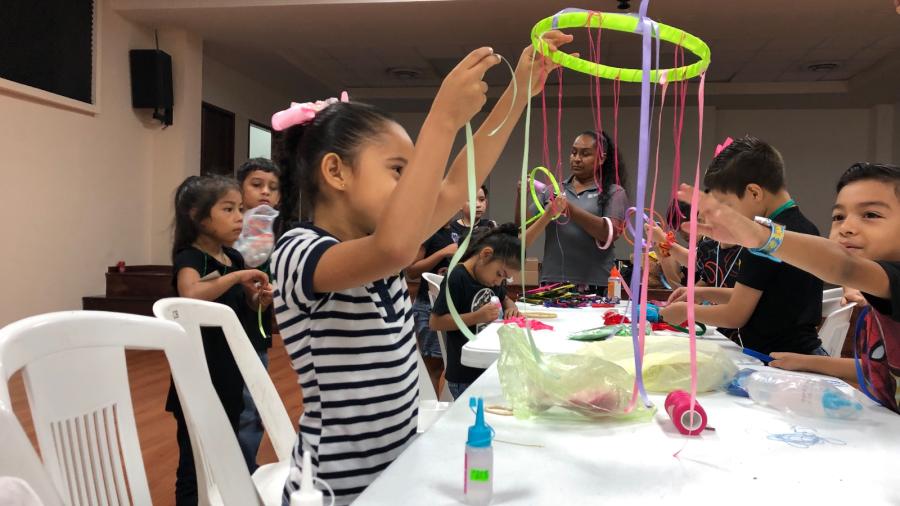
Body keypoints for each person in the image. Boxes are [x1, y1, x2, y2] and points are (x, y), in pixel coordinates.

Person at [269, 34, 573, 505]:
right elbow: (394, 248)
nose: (414, 186)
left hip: (395, 474)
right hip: (336, 490)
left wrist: (519, 95)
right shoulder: (298, 250)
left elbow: (455, 185)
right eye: (399, 170)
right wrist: (443, 119)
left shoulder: (380, 246)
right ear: (336, 172)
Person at [673, 162, 900, 413]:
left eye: (871, 215)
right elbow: (875, 368)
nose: (846, 227)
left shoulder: (888, 279)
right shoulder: (880, 299)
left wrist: (764, 239)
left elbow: (843, 266)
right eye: (838, 216)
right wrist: (805, 362)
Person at [661, 136, 824, 355]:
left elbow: (735, 315)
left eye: (728, 205)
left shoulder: (765, 237)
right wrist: (699, 293)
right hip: (800, 352)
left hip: (777, 360)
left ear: (754, 193)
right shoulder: (805, 227)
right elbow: (763, 297)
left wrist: (686, 311)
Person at [167, 175, 271, 505]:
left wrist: (259, 300)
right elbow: (191, 292)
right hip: (199, 368)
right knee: (194, 458)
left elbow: (239, 306)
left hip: (228, 368)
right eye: (228, 209)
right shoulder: (191, 257)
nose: (240, 217)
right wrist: (238, 277)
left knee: (224, 442)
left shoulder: (233, 257)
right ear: (197, 217)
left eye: (240, 208)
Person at [519, 130, 629, 292]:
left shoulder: (614, 192)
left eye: (585, 154)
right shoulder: (553, 191)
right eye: (573, 152)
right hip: (552, 281)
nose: (577, 159)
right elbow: (522, 226)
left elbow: (609, 234)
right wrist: (520, 197)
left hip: (596, 283)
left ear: (601, 159)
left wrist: (569, 209)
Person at [429, 224, 521, 398]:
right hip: (465, 375)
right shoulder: (457, 277)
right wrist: (477, 317)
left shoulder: (489, 278)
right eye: (499, 274)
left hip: (489, 367)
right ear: (486, 255)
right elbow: (436, 322)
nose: (498, 281)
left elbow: (505, 299)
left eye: (504, 278)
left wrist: (511, 308)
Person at [235, 157, 281, 471]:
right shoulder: (228, 232)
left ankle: (246, 475)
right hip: (221, 334)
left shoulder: (278, 235)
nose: (265, 192)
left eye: (273, 188)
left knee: (253, 409)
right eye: (256, 185)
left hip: (256, 332)